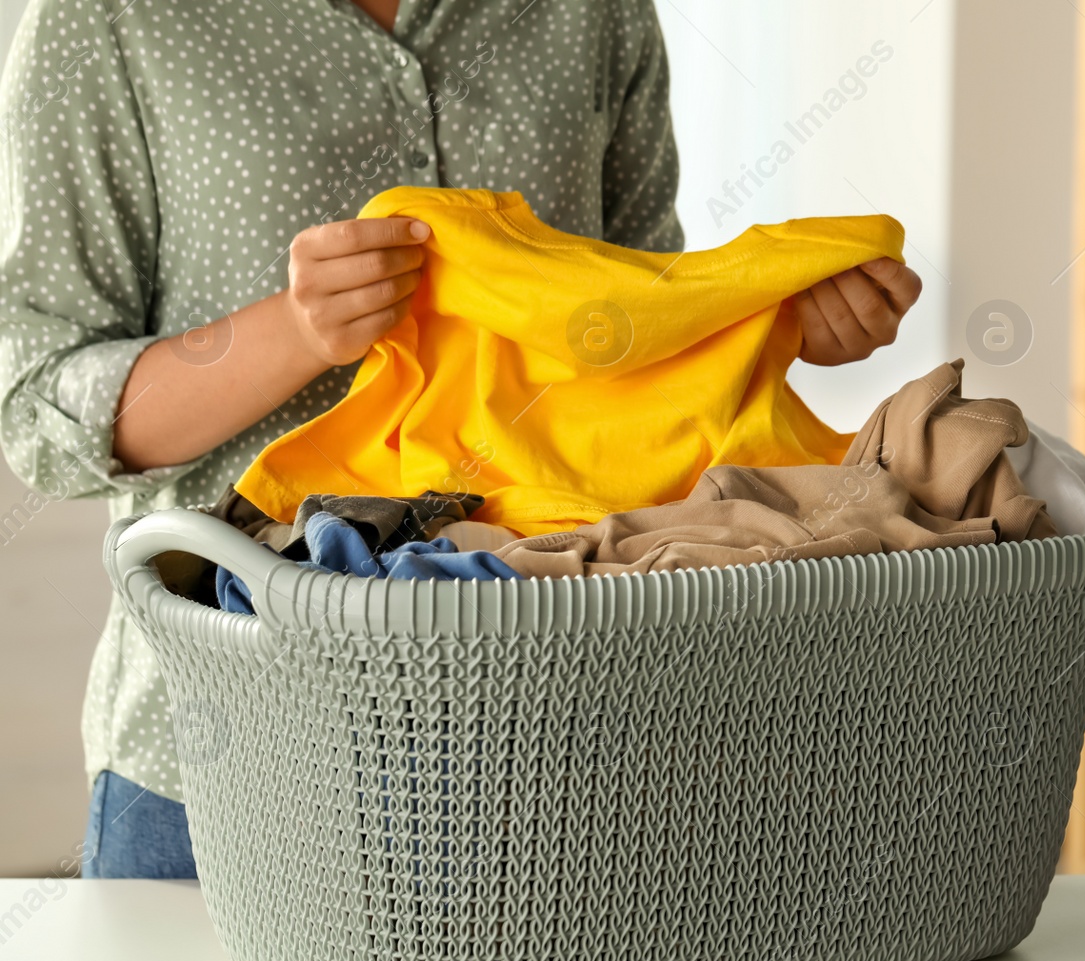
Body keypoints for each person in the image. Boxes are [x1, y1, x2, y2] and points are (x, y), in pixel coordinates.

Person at [0, 0, 922, 877]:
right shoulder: (106, 19)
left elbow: (647, 332)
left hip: (562, 744)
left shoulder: (596, 15)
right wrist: (294, 331)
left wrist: (779, 330)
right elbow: (34, 409)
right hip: (223, 750)